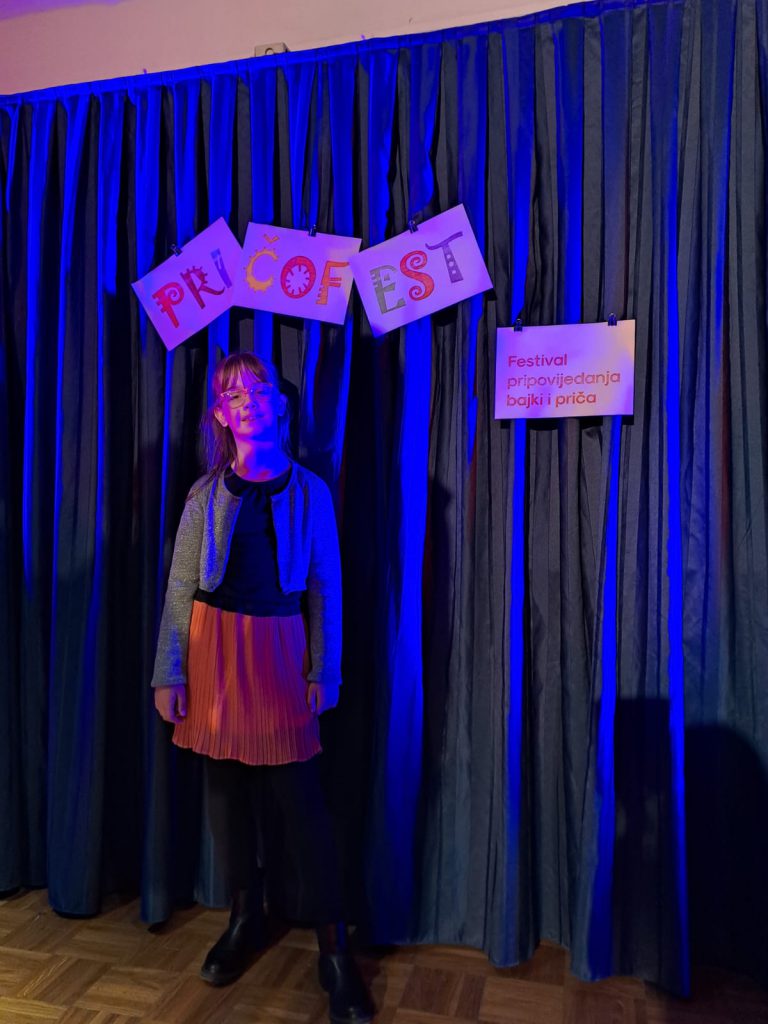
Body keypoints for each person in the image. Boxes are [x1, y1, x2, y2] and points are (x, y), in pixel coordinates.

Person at [151, 351, 374, 1024]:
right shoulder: (203, 494)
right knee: (225, 800)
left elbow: (326, 588)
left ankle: (334, 951)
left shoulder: (311, 493)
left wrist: (324, 669)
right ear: (221, 416)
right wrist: (169, 672)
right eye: (232, 393)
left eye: (257, 389)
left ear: (279, 405)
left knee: (302, 806)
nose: (246, 399)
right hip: (212, 652)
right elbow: (181, 587)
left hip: (279, 653)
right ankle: (244, 917)